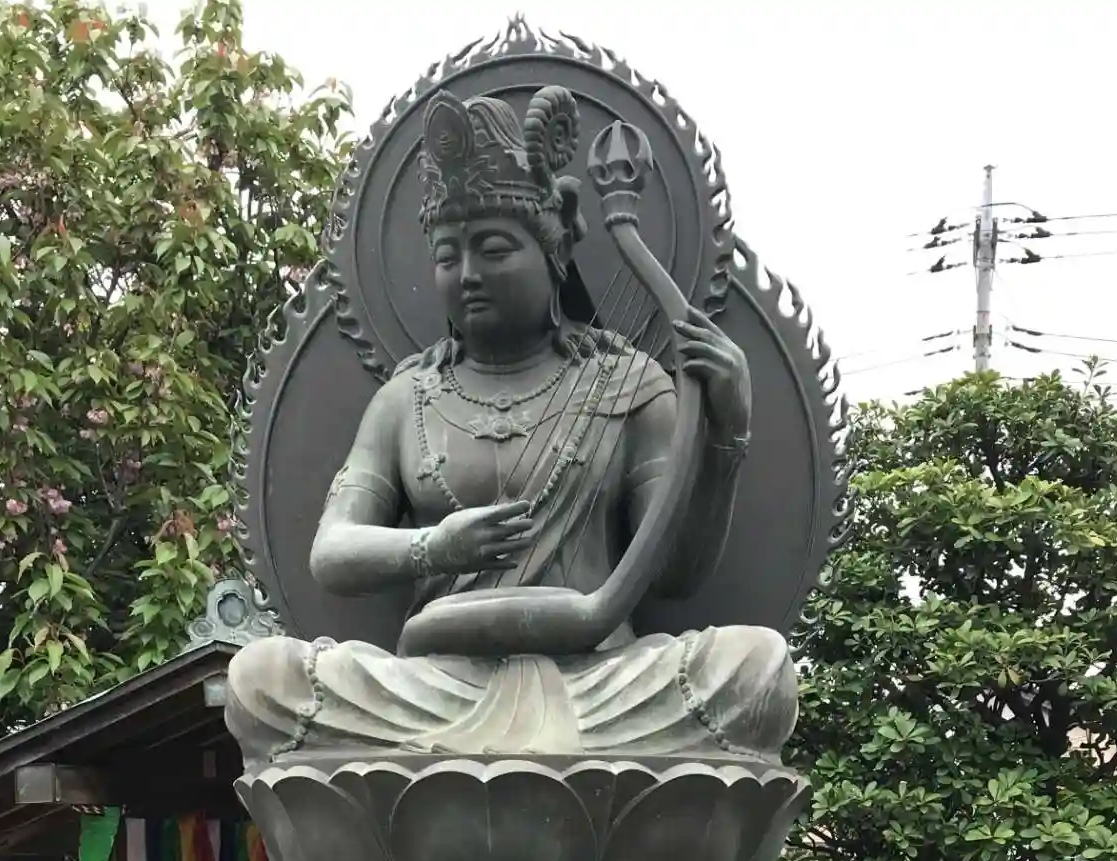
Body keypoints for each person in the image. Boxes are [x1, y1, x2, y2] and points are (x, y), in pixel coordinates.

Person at [225, 86, 797, 766]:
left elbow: (674, 573)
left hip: (600, 684)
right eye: (448, 256)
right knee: (262, 678)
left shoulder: (628, 382)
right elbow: (333, 551)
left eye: (494, 250)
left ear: (552, 253)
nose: (468, 275)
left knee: (755, 668)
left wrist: (727, 435)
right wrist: (434, 548)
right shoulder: (406, 397)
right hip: (436, 684)